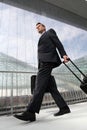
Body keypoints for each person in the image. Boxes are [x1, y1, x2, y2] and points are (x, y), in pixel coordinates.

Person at [14, 22, 70, 122]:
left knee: (38, 87)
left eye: (39, 26)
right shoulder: (42, 37)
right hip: (44, 63)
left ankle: (30, 113)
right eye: (36, 28)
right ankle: (64, 108)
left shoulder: (50, 32)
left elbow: (58, 43)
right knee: (52, 88)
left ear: (44, 26)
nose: (37, 28)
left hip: (47, 62)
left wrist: (64, 55)